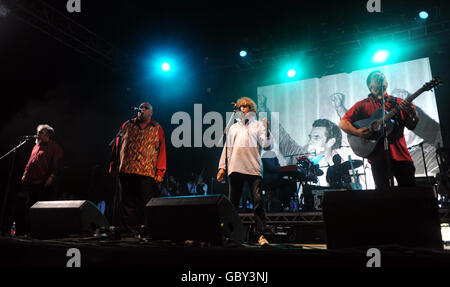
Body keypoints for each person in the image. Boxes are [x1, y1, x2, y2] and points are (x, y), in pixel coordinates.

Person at [338, 71, 419, 191]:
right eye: (376, 77)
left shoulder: (398, 103)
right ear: (370, 86)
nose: (380, 78)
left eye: (383, 77)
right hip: (377, 158)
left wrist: (414, 114)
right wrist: (358, 133)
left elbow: (412, 125)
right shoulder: (362, 105)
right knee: (383, 197)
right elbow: (343, 123)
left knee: (409, 193)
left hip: (401, 156)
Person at [217, 97, 272, 245]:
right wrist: (222, 167)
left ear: (252, 109)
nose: (242, 108)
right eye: (240, 106)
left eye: (246, 106)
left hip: (253, 168)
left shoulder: (258, 125)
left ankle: (260, 235)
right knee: (232, 204)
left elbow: (267, 146)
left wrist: (267, 132)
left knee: (258, 203)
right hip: (235, 168)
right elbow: (227, 149)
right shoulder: (234, 128)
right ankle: (230, 235)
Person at [109, 102, 166, 237]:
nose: (142, 109)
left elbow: (162, 150)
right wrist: (113, 164)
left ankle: (145, 231)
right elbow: (117, 145)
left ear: (151, 113)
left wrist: (160, 171)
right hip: (126, 170)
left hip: (146, 172)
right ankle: (129, 232)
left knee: (145, 203)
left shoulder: (157, 128)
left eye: (146, 108)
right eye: (141, 107)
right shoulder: (127, 125)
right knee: (127, 204)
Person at [19, 124, 63, 234]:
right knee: (29, 207)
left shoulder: (55, 148)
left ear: (48, 135)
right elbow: (30, 162)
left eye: (40, 133)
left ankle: (42, 233)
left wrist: (51, 178)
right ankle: (29, 232)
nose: (37, 134)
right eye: (37, 132)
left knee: (41, 210)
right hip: (31, 182)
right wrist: (25, 173)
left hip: (43, 183)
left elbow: (57, 166)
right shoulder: (36, 146)